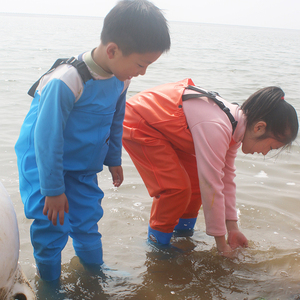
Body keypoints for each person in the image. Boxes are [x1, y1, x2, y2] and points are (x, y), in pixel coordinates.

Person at [15, 0, 170, 281]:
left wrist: (113, 159)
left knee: (87, 219)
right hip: (43, 164)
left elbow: (115, 119)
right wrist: (52, 189)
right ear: (113, 50)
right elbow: (46, 138)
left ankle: (94, 272)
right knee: (52, 225)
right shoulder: (67, 80)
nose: (143, 72)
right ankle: (50, 284)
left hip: (82, 165)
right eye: (141, 64)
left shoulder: (121, 78)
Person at [122, 78, 298, 257]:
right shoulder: (218, 127)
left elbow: (225, 180)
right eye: (271, 147)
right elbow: (212, 185)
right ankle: (157, 244)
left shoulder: (235, 128)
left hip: (167, 128)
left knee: (196, 186)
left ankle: (182, 234)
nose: (266, 153)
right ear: (260, 128)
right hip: (140, 122)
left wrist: (233, 229)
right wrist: (222, 245)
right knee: (176, 188)